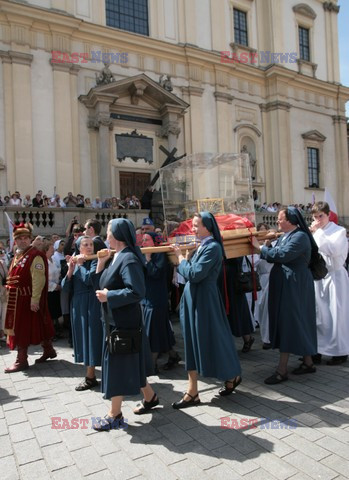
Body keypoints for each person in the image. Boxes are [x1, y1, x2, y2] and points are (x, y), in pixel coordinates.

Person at [92, 218, 159, 431]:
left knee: (117, 367)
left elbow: (137, 291)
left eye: (109, 232)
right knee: (130, 363)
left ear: (118, 235)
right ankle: (150, 397)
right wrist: (101, 266)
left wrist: (110, 295)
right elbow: (103, 285)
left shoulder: (128, 258)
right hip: (116, 320)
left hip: (123, 323)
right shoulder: (117, 256)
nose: (106, 237)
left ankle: (115, 414)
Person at [171, 212, 242, 408]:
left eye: (196, 226)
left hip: (205, 300)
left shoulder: (213, 248)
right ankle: (192, 391)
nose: (193, 229)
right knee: (192, 343)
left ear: (208, 228)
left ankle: (232, 373)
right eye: (193, 225)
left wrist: (181, 260)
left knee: (214, 339)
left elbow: (194, 274)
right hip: (194, 299)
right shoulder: (202, 246)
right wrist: (186, 259)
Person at [250, 207, 317, 384]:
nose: (277, 222)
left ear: (290, 221)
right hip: (288, 284)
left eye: (280, 219)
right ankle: (308, 362)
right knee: (296, 321)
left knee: (289, 322)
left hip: (294, 285)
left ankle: (282, 370)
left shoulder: (300, 237)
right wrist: (268, 243)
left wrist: (260, 249)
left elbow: (282, 255)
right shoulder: (288, 236)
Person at [4, 223, 56, 373]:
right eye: (19, 238)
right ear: (15, 241)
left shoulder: (35, 255)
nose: (23, 241)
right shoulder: (18, 255)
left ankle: (22, 360)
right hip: (16, 299)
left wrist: (35, 299)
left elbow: (38, 279)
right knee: (39, 324)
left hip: (27, 299)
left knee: (22, 329)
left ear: (30, 239)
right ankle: (49, 350)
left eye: (26, 238)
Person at [310, 201, 349, 365]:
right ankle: (318, 350)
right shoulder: (314, 232)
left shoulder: (339, 231)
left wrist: (317, 233)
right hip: (318, 277)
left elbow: (333, 250)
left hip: (334, 277)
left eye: (321, 216)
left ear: (328, 215)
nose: (318, 220)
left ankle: (339, 351)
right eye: (315, 217)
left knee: (336, 315)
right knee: (319, 315)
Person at [62, 236, 103, 390]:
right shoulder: (76, 262)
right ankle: (90, 375)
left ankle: (91, 376)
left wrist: (78, 266)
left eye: (91, 244)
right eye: (85, 244)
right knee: (84, 339)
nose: (89, 247)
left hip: (92, 303)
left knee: (92, 338)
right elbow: (65, 287)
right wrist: (70, 271)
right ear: (79, 248)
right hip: (78, 305)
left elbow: (89, 280)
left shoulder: (94, 260)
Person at [141, 232, 180, 373]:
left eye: (147, 240)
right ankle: (173, 355)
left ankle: (152, 364)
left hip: (157, 300)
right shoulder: (146, 253)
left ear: (154, 242)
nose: (143, 242)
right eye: (143, 240)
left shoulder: (160, 255)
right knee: (161, 331)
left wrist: (148, 260)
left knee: (153, 333)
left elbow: (155, 273)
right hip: (148, 299)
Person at [43, 239, 63, 340]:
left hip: (56, 291)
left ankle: (56, 331)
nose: (53, 250)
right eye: (51, 248)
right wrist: (55, 286)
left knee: (55, 312)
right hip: (48, 291)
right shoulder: (44, 262)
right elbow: (44, 278)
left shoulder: (53, 260)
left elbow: (57, 272)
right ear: (46, 250)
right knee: (49, 313)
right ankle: (49, 334)